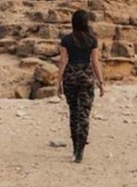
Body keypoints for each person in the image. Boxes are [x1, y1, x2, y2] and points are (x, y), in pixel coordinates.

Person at [57, 9, 105, 163]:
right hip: (85, 76)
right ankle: (80, 151)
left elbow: (63, 61)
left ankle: (74, 148)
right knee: (84, 114)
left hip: (70, 76)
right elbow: (95, 62)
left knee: (74, 113)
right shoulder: (92, 40)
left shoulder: (66, 40)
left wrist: (58, 82)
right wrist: (101, 82)